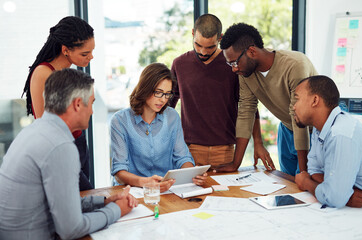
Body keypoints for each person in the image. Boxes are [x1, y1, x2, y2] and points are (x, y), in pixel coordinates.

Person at [0, 69, 138, 240]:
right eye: (92, 103)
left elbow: (61, 202)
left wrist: (104, 202)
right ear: (78, 104)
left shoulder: (34, 131)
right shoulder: (60, 146)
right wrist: (117, 210)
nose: (92, 112)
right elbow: (71, 229)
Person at [170, 14, 273, 171]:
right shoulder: (179, 64)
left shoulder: (234, 65)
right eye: (198, 45)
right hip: (189, 150)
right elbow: (168, 105)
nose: (203, 52)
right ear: (192, 33)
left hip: (225, 150)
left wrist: (258, 141)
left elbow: (249, 106)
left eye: (210, 47)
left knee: (226, 193)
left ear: (220, 38)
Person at [218, 23, 318, 175]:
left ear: (251, 51)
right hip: (286, 128)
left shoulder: (295, 65)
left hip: (314, 132)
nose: (234, 69)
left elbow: (298, 117)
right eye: (230, 64)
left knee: (306, 185)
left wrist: (303, 172)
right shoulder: (245, 72)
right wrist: (235, 164)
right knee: (288, 185)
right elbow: (246, 110)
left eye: (235, 62)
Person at [22, 16, 95, 190]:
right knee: (85, 198)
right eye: (85, 54)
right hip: (61, 149)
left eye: (91, 51)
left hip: (78, 145)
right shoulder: (43, 73)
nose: (91, 57)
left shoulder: (68, 72)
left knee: (85, 200)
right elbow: (44, 125)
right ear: (65, 50)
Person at [111, 63, 207, 192]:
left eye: (167, 94)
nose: (163, 100)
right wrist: (145, 182)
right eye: (158, 93)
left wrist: (192, 174)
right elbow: (119, 171)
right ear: (145, 89)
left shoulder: (172, 116)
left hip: (166, 190)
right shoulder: (120, 120)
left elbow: (182, 157)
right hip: (133, 192)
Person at [293, 75, 362, 208]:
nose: (294, 107)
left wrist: (306, 183)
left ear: (315, 100)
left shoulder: (341, 134)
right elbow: (314, 170)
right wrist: (345, 192)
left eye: (297, 99)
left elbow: (334, 198)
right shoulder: (319, 129)